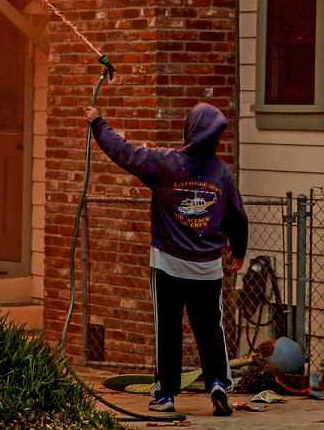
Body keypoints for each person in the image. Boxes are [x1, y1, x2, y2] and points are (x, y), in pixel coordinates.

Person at [86, 100, 248, 417]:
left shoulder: (165, 163)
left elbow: (125, 153)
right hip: (208, 269)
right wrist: (238, 252)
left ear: (189, 130)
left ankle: (166, 395)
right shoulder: (222, 173)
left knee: (169, 330)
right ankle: (217, 382)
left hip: (168, 265)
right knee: (210, 329)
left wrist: (97, 123)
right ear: (216, 137)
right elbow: (237, 217)